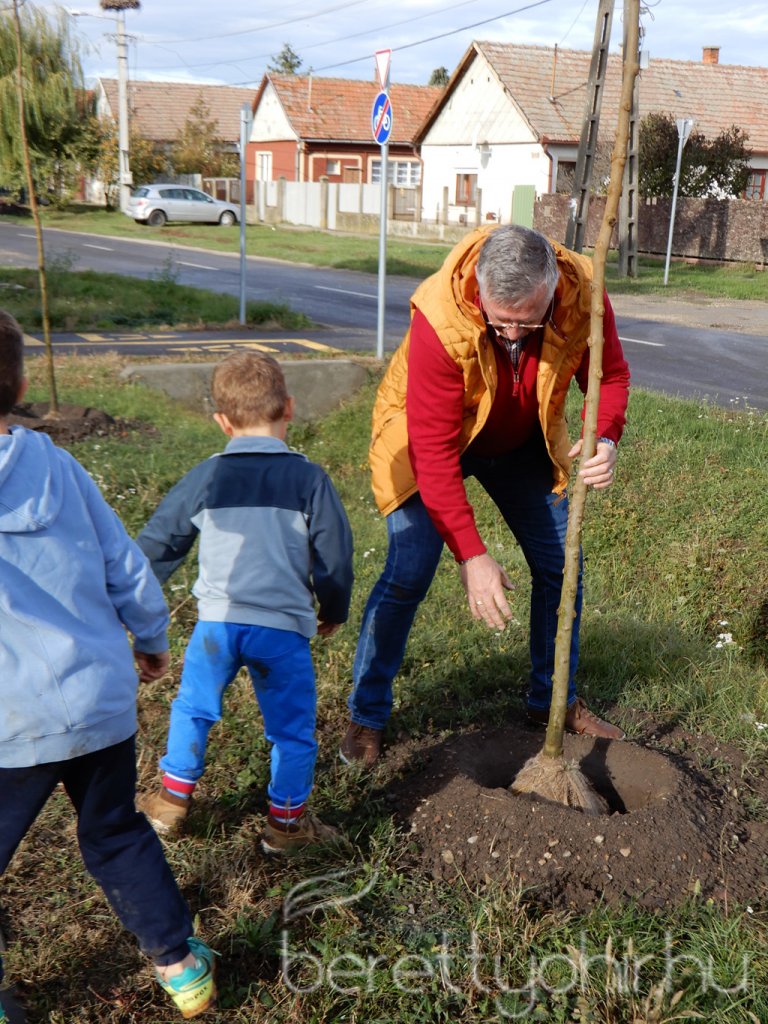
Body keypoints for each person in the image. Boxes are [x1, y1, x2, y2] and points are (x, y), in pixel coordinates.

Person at [340, 224, 630, 767]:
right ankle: (367, 713)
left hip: (519, 443)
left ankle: (551, 702)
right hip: (431, 438)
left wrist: (606, 433)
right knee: (409, 569)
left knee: (561, 566)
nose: (516, 336)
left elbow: (609, 374)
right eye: (502, 322)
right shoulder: (440, 318)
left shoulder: (583, 293)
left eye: (529, 322)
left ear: (551, 289)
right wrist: (472, 554)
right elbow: (432, 452)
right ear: (479, 290)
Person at [0, 310, 216, 1020]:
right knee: (117, 833)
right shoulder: (58, 465)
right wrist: (151, 635)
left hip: (9, 725)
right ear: (24, 382)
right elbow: (124, 562)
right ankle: (183, 968)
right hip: (99, 700)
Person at [136, 352, 354, 854]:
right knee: (291, 731)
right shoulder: (309, 479)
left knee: (193, 708)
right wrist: (333, 608)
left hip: (218, 626)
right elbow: (335, 555)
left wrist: (135, 604)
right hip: (281, 631)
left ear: (221, 420)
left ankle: (171, 801)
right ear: (290, 409)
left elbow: (159, 544)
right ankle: (285, 827)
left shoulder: (206, 477)